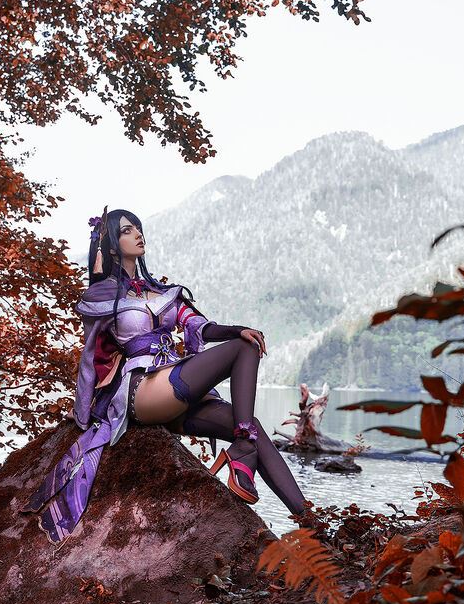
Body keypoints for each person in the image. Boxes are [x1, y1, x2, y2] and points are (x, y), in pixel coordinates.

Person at [23, 206, 308, 543]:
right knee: (242, 351)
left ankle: (310, 524)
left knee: (251, 411)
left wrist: (237, 329)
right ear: (110, 246)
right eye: (127, 230)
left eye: (138, 227)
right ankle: (243, 451)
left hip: (172, 388)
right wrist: (83, 415)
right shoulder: (102, 295)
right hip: (141, 389)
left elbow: (201, 326)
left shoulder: (161, 291)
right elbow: (90, 358)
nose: (138, 234)